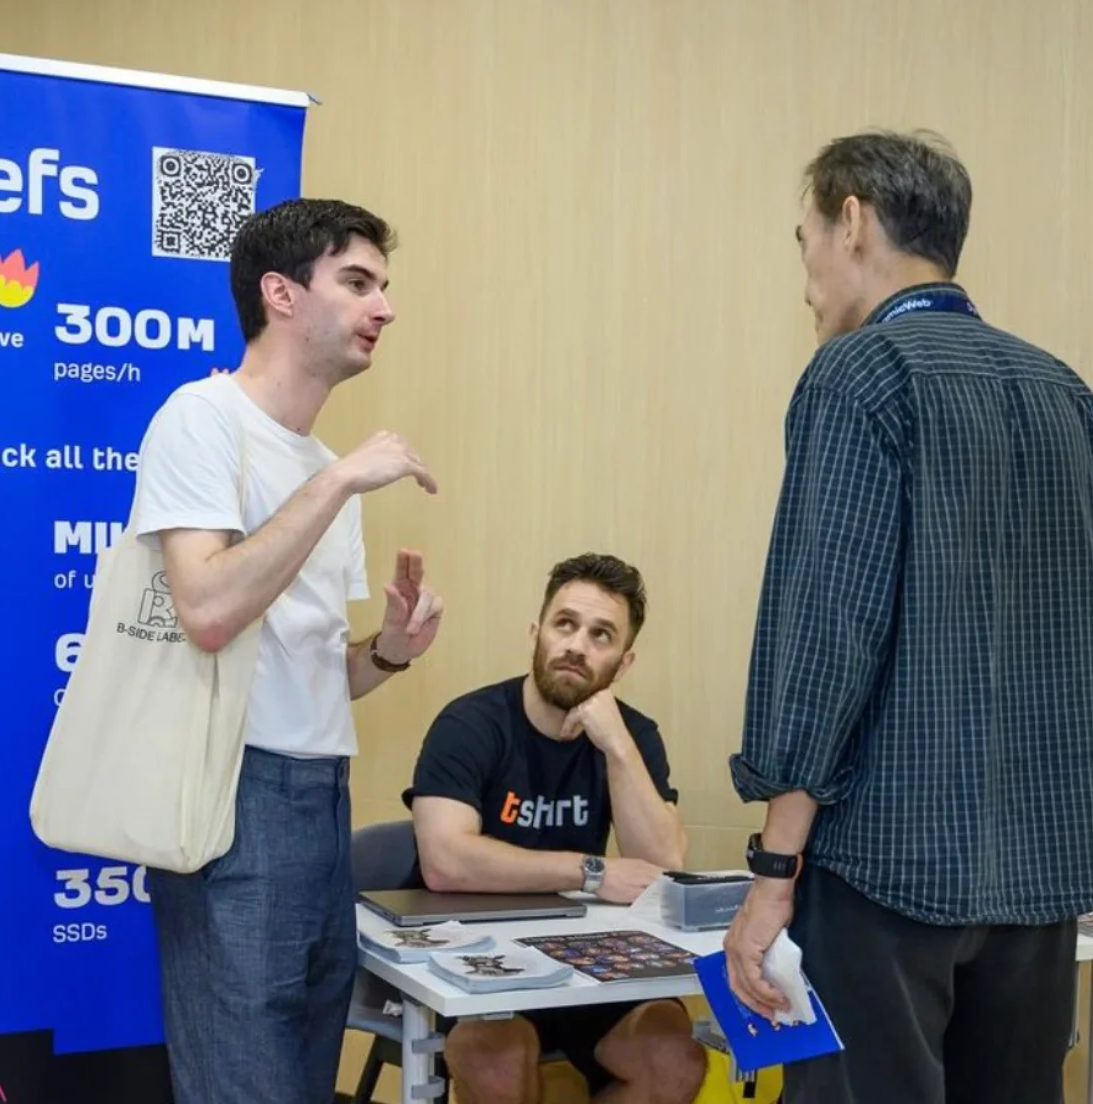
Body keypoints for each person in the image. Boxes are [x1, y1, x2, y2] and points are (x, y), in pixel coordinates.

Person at [724, 129, 1093, 1103]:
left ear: (852, 221)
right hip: (1045, 871)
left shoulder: (858, 376)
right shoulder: (1063, 390)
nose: (804, 280)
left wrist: (773, 868)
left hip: (886, 868)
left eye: (803, 242)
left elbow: (824, 646)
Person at [130, 198, 446, 1104]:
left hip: (322, 797)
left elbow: (311, 674)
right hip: (236, 795)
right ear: (280, 294)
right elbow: (208, 609)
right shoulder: (201, 419)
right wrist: (340, 479)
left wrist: (386, 653)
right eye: (356, 283)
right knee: (243, 1085)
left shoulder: (321, 463)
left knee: (302, 1081)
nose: (382, 307)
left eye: (383, 287)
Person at [404, 553, 706, 1104]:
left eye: (601, 635)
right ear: (536, 632)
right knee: (496, 1059)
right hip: (476, 953)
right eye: (564, 624)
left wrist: (616, 745)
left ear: (624, 661)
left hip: (586, 960)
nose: (577, 646)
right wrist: (591, 872)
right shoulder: (470, 724)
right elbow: (444, 861)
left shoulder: (633, 736)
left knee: (675, 1059)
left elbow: (664, 868)